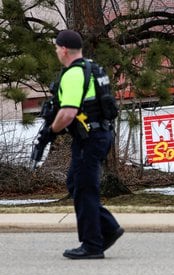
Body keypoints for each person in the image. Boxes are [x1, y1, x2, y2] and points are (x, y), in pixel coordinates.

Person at [38, 30, 124, 259]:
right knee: (77, 183)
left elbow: (68, 113)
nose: (56, 51)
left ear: (64, 49)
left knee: (85, 188)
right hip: (101, 133)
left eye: (57, 47)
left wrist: (50, 132)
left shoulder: (74, 74)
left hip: (90, 138)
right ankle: (108, 227)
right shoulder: (92, 68)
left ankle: (92, 245)